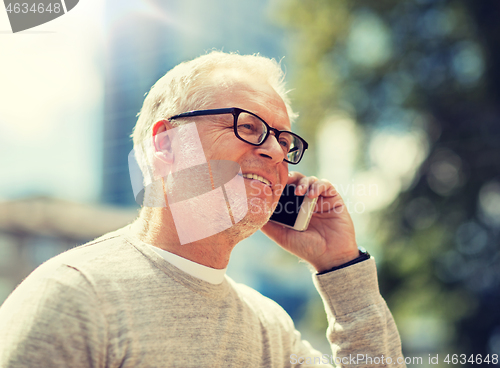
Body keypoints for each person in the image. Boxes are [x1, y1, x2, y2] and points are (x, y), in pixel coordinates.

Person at [0, 51, 406, 367]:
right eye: (248, 127)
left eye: (285, 141)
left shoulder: (272, 328)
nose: (274, 151)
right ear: (168, 146)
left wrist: (341, 266)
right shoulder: (73, 295)